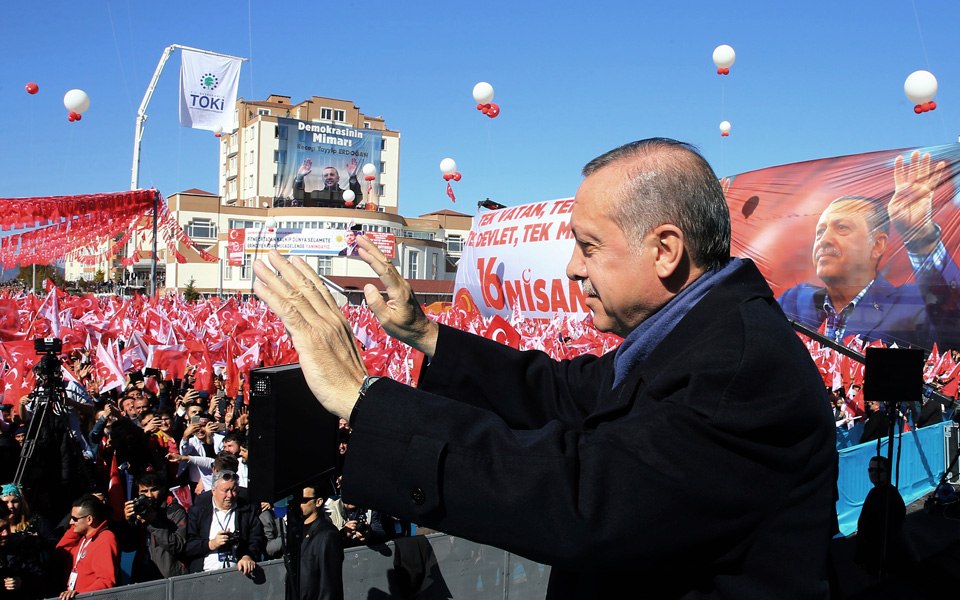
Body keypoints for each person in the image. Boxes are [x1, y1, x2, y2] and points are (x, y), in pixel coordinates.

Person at [252, 138, 837, 598]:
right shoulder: (696, 336)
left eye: (588, 245)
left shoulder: (738, 368)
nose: (572, 268)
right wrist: (424, 334)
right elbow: (563, 393)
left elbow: (583, 497)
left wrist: (364, 397)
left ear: (665, 249)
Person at [778, 150, 960, 350]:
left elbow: (954, 327)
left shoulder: (912, 303)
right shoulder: (795, 300)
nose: (824, 240)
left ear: (877, 245)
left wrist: (920, 237)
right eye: (820, 231)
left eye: (841, 228)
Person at [184, 470, 262, 574]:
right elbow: (188, 547)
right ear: (213, 491)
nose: (230, 495)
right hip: (204, 575)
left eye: (234, 490)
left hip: (239, 575)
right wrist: (211, 544)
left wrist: (248, 556)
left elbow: (257, 539)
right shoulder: (198, 511)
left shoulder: (247, 511)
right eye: (225, 490)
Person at [854, 456, 916, 578]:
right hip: (873, 556)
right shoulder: (874, 493)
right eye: (870, 470)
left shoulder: (890, 497)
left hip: (883, 558)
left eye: (879, 470)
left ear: (887, 473)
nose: (873, 473)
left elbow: (893, 530)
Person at [122, 471, 188, 581]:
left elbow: (178, 546)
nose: (149, 495)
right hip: (142, 572)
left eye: (153, 490)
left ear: (163, 489)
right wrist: (128, 522)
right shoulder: (137, 509)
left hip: (168, 576)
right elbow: (127, 546)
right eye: (144, 491)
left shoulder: (175, 511)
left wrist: (153, 522)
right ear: (138, 492)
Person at [55, 494, 119, 599]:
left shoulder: (106, 539)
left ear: (89, 519)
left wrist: (80, 595)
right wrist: (75, 530)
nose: (70, 522)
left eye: (74, 519)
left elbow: (106, 581)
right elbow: (60, 552)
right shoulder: (83, 537)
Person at [298, 484, 344, 600]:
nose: (300, 504)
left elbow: (329, 584)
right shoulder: (296, 531)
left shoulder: (328, 534)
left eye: (304, 500)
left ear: (318, 502)